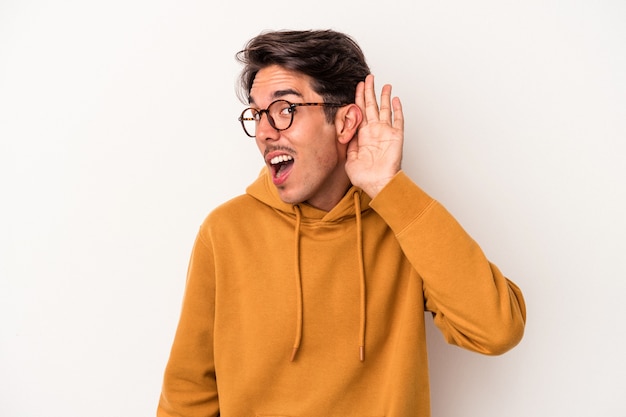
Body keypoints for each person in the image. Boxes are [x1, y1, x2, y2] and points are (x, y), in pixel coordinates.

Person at [157, 29, 526, 417]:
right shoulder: (225, 232)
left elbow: (497, 330)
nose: (265, 132)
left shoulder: (403, 226)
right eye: (257, 114)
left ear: (347, 122)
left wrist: (389, 188)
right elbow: (188, 395)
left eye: (286, 110)